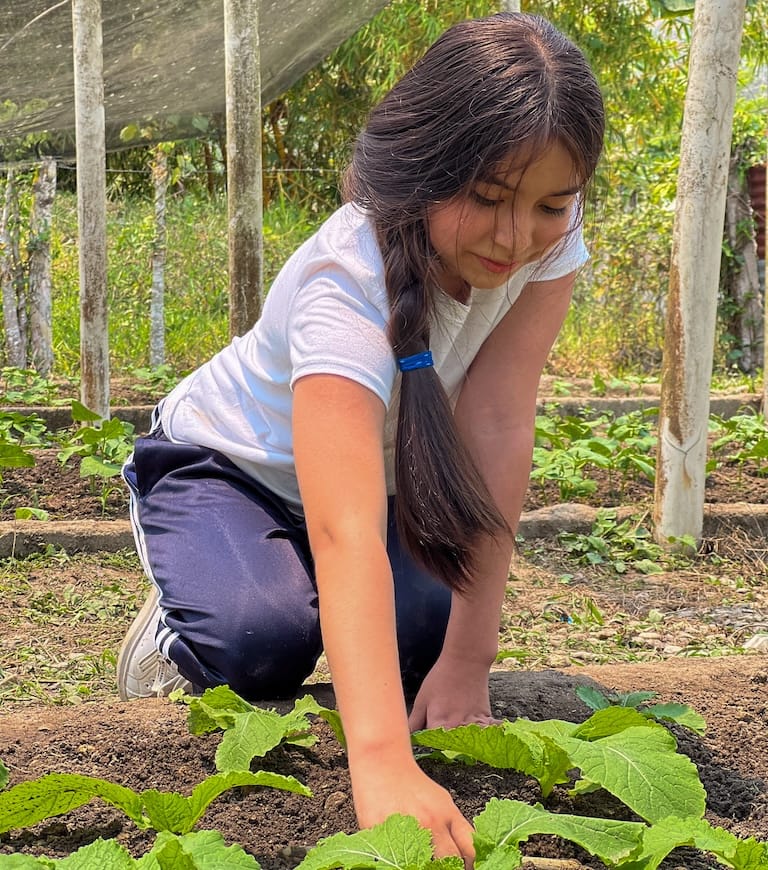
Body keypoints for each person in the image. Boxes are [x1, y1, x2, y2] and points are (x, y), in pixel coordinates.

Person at [117, 11, 604, 866]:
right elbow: (344, 534)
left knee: (420, 639)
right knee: (259, 641)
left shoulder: (547, 249)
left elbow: (494, 424)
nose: (512, 237)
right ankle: (179, 616)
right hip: (230, 468)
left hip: (375, 482)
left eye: (549, 205)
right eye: (486, 198)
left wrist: (469, 657)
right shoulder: (348, 281)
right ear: (423, 167)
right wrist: (379, 762)